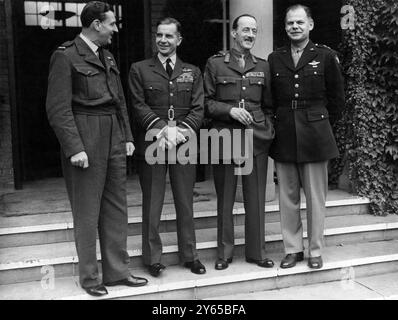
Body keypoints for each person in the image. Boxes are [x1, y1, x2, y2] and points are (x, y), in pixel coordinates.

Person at [46, 1, 148, 297]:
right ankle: (90, 278)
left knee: (117, 206)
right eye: (112, 23)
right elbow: (57, 108)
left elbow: (119, 100)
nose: (116, 29)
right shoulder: (65, 57)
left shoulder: (108, 57)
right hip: (85, 132)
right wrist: (74, 147)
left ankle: (117, 272)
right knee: (87, 211)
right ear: (96, 25)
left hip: (113, 133)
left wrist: (127, 136)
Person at [268, 4, 345, 269]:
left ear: (310, 25)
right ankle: (293, 249)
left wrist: (321, 125)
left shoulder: (325, 56)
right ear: (285, 27)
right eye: (290, 23)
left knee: (315, 198)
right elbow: (271, 99)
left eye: (300, 22)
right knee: (287, 198)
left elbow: (337, 100)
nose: (295, 27)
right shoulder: (275, 58)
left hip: (315, 134)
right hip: (285, 133)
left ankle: (315, 250)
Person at [129, 17, 206, 277]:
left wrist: (181, 132)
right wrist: (164, 129)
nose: (163, 40)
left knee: (186, 202)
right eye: (159, 35)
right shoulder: (139, 69)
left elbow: (198, 107)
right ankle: (152, 259)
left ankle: (190, 256)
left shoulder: (193, 71)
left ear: (179, 40)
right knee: (153, 203)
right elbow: (138, 106)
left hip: (183, 143)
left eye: (169, 36)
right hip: (153, 143)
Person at [204, 14, 275, 270]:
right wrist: (229, 111)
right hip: (225, 135)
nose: (250, 35)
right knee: (225, 197)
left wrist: (268, 130)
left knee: (255, 197)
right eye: (245, 30)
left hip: (256, 137)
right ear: (233, 33)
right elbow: (206, 103)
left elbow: (269, 105)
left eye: (254, 31)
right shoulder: (215, 64)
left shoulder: (264, 66)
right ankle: (224, 253)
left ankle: (256, 252)